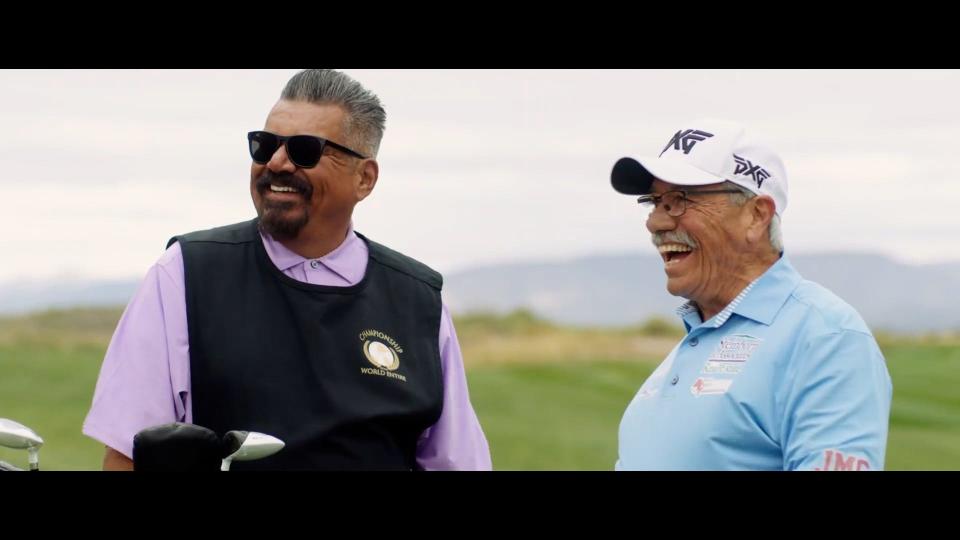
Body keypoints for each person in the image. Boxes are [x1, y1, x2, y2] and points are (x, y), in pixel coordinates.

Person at [84, 69, 492, 471]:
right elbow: (127, 456)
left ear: (364, 178)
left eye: (304, 150)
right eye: (264, 146)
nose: (277, 163)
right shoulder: (186, 274)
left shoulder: (417, 300)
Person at [610, 118, 892, 470]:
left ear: (757, 216)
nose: (656, 222)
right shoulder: (696, 336)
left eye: (679, 200)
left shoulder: (826, 337)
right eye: (654, 202)